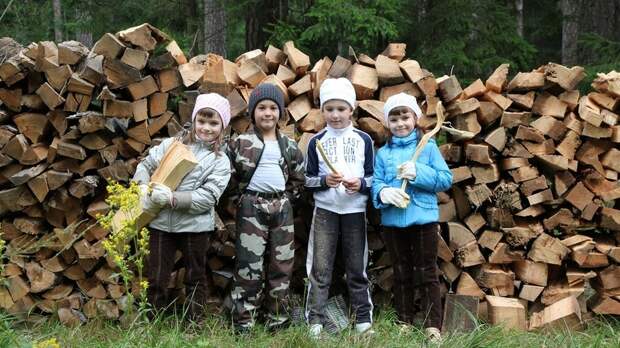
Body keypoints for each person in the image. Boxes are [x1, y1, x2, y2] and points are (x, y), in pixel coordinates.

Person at [133, 93, 232, 320]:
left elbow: (207, 197)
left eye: (213, 123)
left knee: (195, 276)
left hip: (194, 228)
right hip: (160, 225)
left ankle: (194, 322)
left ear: (223, 126)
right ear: (194, 120)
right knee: (156, 277)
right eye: (202, 121)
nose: (206, 128)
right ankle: (152, 322)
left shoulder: (220, 161)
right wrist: (141, 186)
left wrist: (171, 199)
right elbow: (146, 164)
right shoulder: (171, 145)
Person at [371, 92, 452, 342]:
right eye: (394, 119)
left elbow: (445, 179)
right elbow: (376, 182)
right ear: (388, 124)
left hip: (423, 220)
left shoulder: (427, 148)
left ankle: (432, 326)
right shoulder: (383, 154)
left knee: (426, 272)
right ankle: (403, 320)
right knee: (401, 272)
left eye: (405, 117)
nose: (400, 124)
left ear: (415, 118)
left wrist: (419, 172)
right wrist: (383, 193)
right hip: (394, 222)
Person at [226, 83, 305, 333]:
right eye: (261, 108)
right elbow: (230, 178)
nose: (267, 113)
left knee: (281, 264)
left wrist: (286, 200)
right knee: (249, 264)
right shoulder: (241, 143)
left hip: (282, 207)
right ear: (252, 112)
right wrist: (242, 199)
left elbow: (298, 178)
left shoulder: (289, 145)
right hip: (251, 207)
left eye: (273, 108)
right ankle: (244, 321)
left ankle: (277, 320)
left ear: (280, 112)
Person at [304, 78, 375, 337]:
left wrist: (361, 184)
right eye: (329, 109)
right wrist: (325, 181)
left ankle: (363, 320)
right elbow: (308, 179)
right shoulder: (316, 141)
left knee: (357, 267)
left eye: (341, 109)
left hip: (355, 211)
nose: (335, 115)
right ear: (322, 111)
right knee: (320, 268)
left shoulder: (363, 140)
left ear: (351, 110)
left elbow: (373, 177)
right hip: (325, 212)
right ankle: (315, 320)